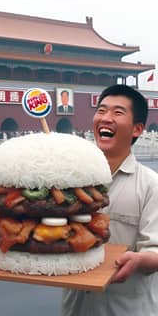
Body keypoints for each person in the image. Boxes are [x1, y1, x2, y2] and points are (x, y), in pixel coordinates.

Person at [62, 84, 158, 316]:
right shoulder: (71, 179)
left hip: (127, 309)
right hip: (75, 308)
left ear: (136, 129)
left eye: (117, 112)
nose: (106, 118)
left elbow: (155, 250)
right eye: (101, 110)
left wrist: (138, 260)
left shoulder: (150, 185)